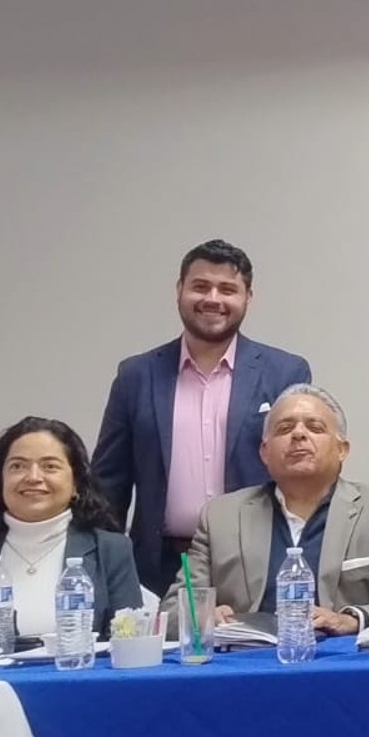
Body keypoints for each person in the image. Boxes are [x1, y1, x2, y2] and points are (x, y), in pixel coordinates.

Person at [93, 239, 313, 595]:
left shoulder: (284, 372)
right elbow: (108, 483)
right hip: (159, 566)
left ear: (248, 297)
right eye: (200, 286)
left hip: (256, 563)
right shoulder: (136, 375)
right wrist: (106, 570)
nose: (213, 299)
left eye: (227, 289)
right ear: (179, 290)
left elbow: (302, 474)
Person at [170, 384, 369, 633]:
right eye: (284, 429)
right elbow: (173, 611)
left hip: (345, 657)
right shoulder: (220, 517)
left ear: (342, 450)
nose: (298, 434)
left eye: (315, 427)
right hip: (244, 658)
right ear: (264, 452)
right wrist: (203, 616)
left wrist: (350, 620)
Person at [0, 417, 141, 638]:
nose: (33, 477)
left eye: (50, 466)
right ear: (0, 480)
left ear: (76, 484)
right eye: (17, 466)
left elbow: (129, 642)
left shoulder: (111, 550)